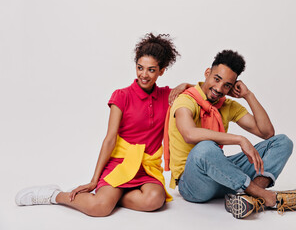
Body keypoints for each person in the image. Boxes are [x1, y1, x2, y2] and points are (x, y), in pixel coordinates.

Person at [15, 33, 192, 217]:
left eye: (151, 70)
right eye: (140, 68)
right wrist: (94, 180)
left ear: (162, 70)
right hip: (120, 163)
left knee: (154, 200)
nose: (143, 75)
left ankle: (113, 197)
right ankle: (55, 195)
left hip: (146, 168)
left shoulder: (168, 96)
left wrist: (186, 85)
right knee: (99, 208)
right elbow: (110, 138)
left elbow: (205, 93)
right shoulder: (121, 96)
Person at [165, 50, 296, 219]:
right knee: (205, 148)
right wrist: (239, 139)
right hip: (194, 183)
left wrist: (247, 95)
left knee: (282, 142)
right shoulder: (185, 100)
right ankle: (266, 196)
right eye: (216, 79)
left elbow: (267, 133)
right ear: (207, 73)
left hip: (224, 176)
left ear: (232, 87)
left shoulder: (228, 105)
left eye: (227, 85)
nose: (219, 88)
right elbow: (189, 133)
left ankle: (248, 197)